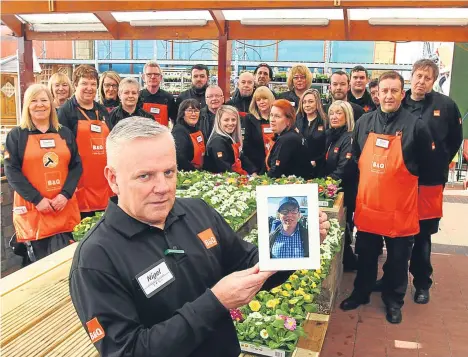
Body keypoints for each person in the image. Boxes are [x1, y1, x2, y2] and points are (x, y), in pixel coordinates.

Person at [69, 117, 331, 357]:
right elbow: (127, 351)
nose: (162, 187)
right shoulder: (96, 258)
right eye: (145, 176)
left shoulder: (196, 212)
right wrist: (215, 302)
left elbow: (251, 266)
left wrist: (297, 243)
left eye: (169, 172)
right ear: (113, 179)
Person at [339, 71, 434, 324]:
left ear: (402, 94)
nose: (389, 95)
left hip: (399, 208)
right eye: (385, 91)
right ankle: (361, 293)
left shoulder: (416, 126)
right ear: (377, 93)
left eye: (394, 91)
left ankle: (394, 301)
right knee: (366, 254)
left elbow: (427, 165)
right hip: (370, 205)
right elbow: (357, 157)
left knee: (398, 259)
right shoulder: (364, 123)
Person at [375, 59, 464, 304]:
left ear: (433, 81)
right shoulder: (398, 102)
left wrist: (441, 160)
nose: (421, 81)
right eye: (418, 76)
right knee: (395, 234)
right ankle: (391, 277)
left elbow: (455, 139)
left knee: (423, 235)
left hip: (429, 183)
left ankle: (422, 283)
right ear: (411, 76)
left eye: (427, 78)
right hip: (400, 182)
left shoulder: (446, 105)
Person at [4, 84, 82, 263]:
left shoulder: (65, 133)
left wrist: (65, 194)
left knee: (67, 262)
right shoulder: (16, 136)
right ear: (27, 105)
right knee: (37, 265)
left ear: (52, 104)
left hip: (63, 208)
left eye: (44, 100)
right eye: (34, 101)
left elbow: (76, 166)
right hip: (34, 210)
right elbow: (11, 171)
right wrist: (37, 200)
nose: (39, 105)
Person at [58, 64, 113, 218]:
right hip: (79, 182)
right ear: (75, 85)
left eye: (93, 84)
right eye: (84, 83)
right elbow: (62, 150)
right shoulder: (65, 112)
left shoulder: (101, 110)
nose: (89, 88)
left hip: (103, 182)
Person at [325, 100, 358, 270]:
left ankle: (349, 262)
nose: (334, 116)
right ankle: (348, 260)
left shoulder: (349, 137)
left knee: (344, 226)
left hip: (346, 190)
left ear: (347, 116)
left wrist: (324, 183)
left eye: (338, 113)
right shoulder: (332, 136)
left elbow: (344, 168)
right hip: (335, 189)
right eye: (331, 113)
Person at [204, 105, 254, 175]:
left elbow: (241, 157)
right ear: (219, 121)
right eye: (226, 120)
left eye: (233, 120)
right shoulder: (217, 141)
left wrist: (253, 171)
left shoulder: (231, 138)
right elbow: (224, 167)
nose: (230, 123)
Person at [266, 99, 309, 179]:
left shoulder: (287, 139)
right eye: (271, 115)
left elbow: (276, 172)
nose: (272, 120)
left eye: (277, 116)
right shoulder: (292, 135)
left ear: (288, 121)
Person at [296, 89, 328, 178]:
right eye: (304, 102)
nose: (307, 105)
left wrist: (316, 161)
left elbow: (328, 146)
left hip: (320, 169)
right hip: (299, 168)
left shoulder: (325, 121)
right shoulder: (297, 121)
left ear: (317, 103)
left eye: (310, 102)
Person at [243, 86, 275, 174]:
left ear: (271, 99)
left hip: (276, 165)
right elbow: (247, 147)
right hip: (257, 167)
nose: (262, 102)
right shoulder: (249, 119)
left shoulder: (277, 117)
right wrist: (253, 170)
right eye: (258, 99)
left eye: (265, 98)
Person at [140, 61, 177, 126]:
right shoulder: (138, 97)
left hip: (162, 135)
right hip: (142, 135)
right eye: (149, 74)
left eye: (156, 74)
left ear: (161, 78)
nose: (153, 77)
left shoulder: (168, 98)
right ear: (143, 77)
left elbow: (175, 121)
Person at [172, 99, 205, 172]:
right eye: (189, 111)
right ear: (182, 113)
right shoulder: (179, 131)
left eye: (196, 111)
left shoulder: (197, 129)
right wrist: (194, 171)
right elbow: (179, 158)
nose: (193, 114)